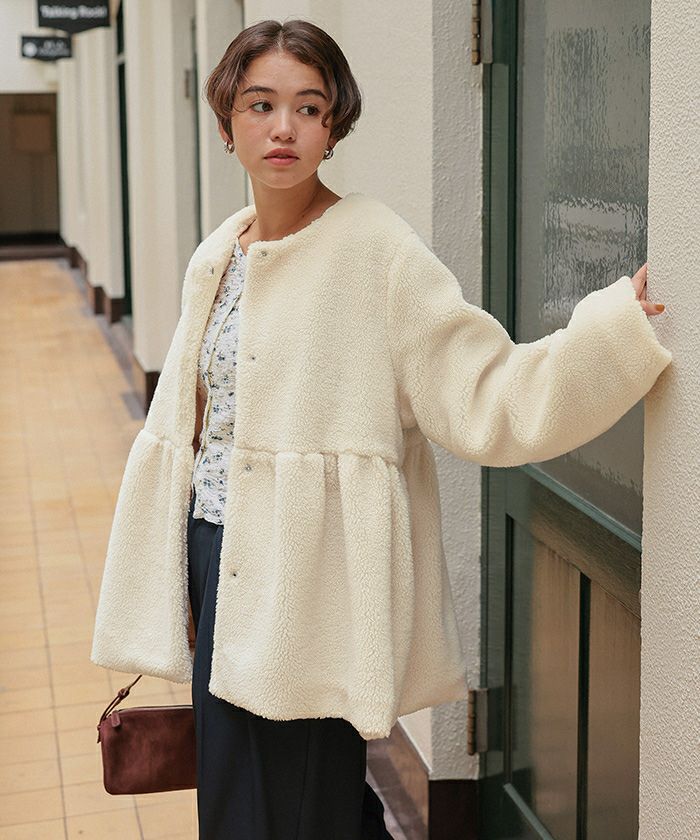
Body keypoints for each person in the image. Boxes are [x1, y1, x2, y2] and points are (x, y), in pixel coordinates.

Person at [90, 17, 671, 840]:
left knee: (295, 807)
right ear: (227, 122)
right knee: (240, 797)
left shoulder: (377, 250)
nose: (284, 128)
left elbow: (487, 394)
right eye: (260, 104)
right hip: (216, 560)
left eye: (309, 107)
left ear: (334, 127)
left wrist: (608, 337)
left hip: (307, 586)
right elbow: (193, 428)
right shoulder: (219, 252)